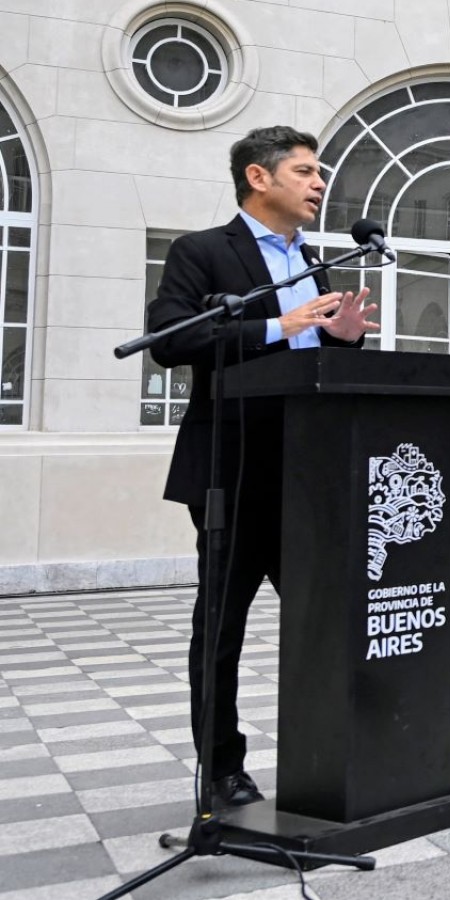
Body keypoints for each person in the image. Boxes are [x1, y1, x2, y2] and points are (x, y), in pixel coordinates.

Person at [147, 126, 379, 807]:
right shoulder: (202, 252)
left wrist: (339, 342)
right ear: (259, 177)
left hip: (310, 471)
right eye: (306, 171)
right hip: (233, 468)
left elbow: (313, 367)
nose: (319, 184)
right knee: (223, 626)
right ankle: (222, 769)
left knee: (331, 617)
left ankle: (345, 747)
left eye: (320, 172)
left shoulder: (313, 262)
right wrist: (282, 324)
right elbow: (171, 337)